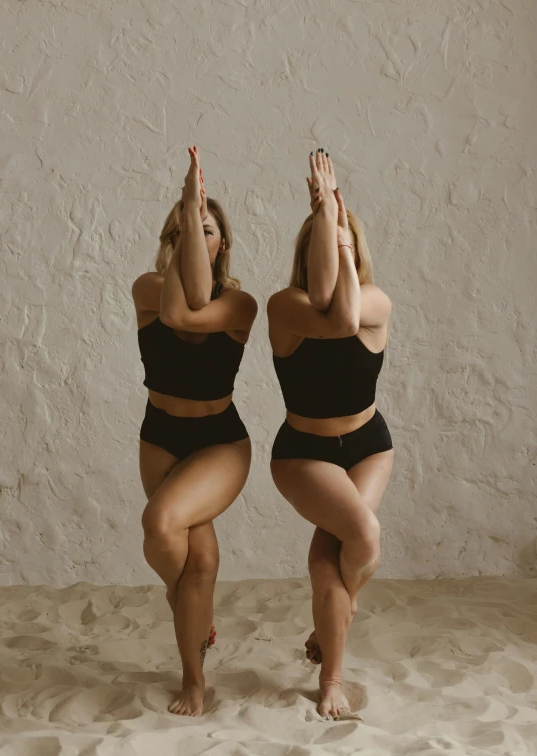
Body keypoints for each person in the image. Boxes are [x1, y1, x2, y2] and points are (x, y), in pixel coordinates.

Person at [267, 148, 394, 721]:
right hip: (303, 453)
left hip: (369, 445)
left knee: (346, 546)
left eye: (345, 239)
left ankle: (329, 637)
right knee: (361, 535)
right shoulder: (284, 305)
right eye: (324, 238)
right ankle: (332, 675)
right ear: (310, 249)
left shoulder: (377, 301)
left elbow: (345, 311)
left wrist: (337, 229)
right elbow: (329, 309)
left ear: (354, 249)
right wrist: (327, 216)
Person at [132, 145, 258, 717]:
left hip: (220, 444)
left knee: (162, 523)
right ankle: (194, 663)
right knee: (196, 562)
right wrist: (187, 212)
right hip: (160, 439)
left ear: (222, 244)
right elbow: (174, 302)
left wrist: (190, 202)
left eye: (206, 230)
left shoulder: (241, 304)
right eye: (185, 229)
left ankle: (194, 679)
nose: (196, 238)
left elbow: (190, 312)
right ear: (171, 239)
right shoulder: (145, 289)